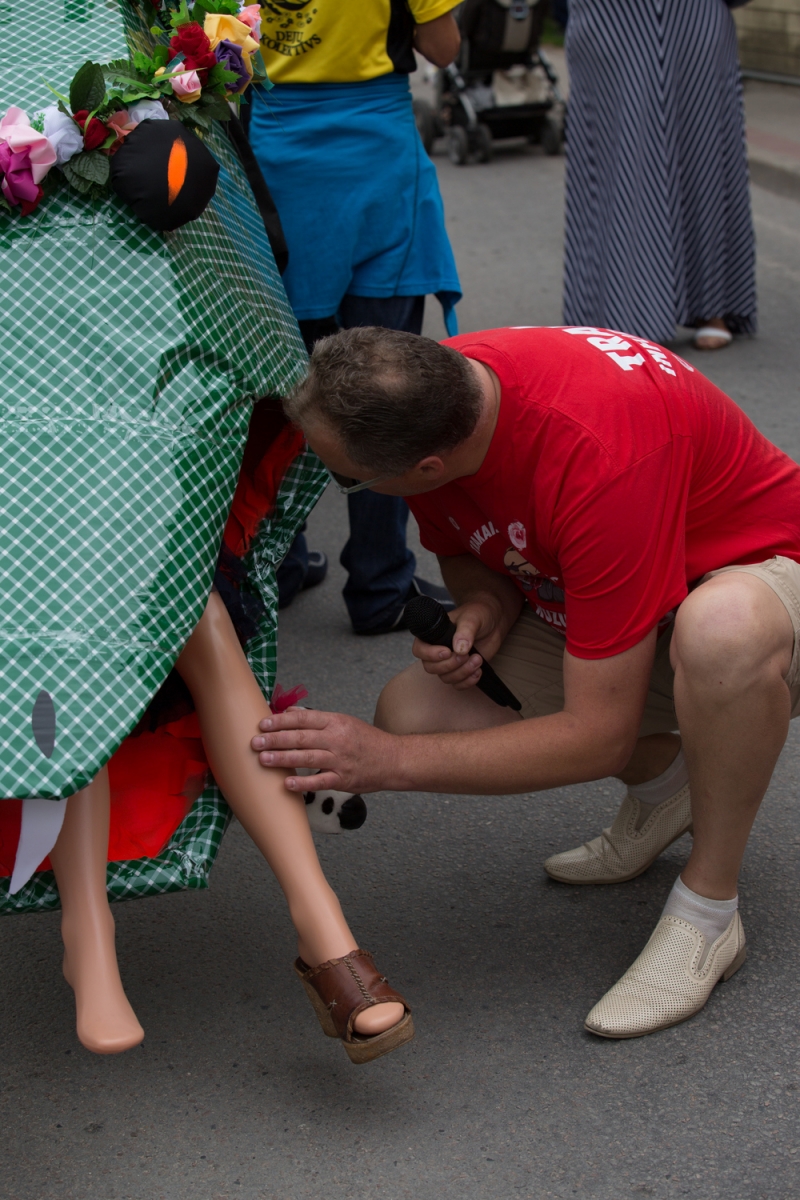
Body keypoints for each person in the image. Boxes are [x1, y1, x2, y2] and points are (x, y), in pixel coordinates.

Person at [249, 324, 800, 1040]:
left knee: (722, 631)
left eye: (346, 478)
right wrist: (487, 603)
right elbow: (468, 547)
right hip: (637, 598)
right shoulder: (437, 390)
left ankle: (708, 911)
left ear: (427, 464)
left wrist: (386, 765)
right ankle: (670, 789)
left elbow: (596, 738)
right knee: (415, 710)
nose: (335, 483)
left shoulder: (596, 456)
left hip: (764, 581)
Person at [248, 0, 463, 632]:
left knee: (284, 383)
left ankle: (275, 565)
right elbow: (445, 48)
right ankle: (379, 582)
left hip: (277, 171)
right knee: (387, 382)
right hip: (375, 162)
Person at [562, 0, 757, 351]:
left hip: (695, 14)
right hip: (612, 18)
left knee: (707, 151)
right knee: (617, 160)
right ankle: (620, 308)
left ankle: (712, 304)